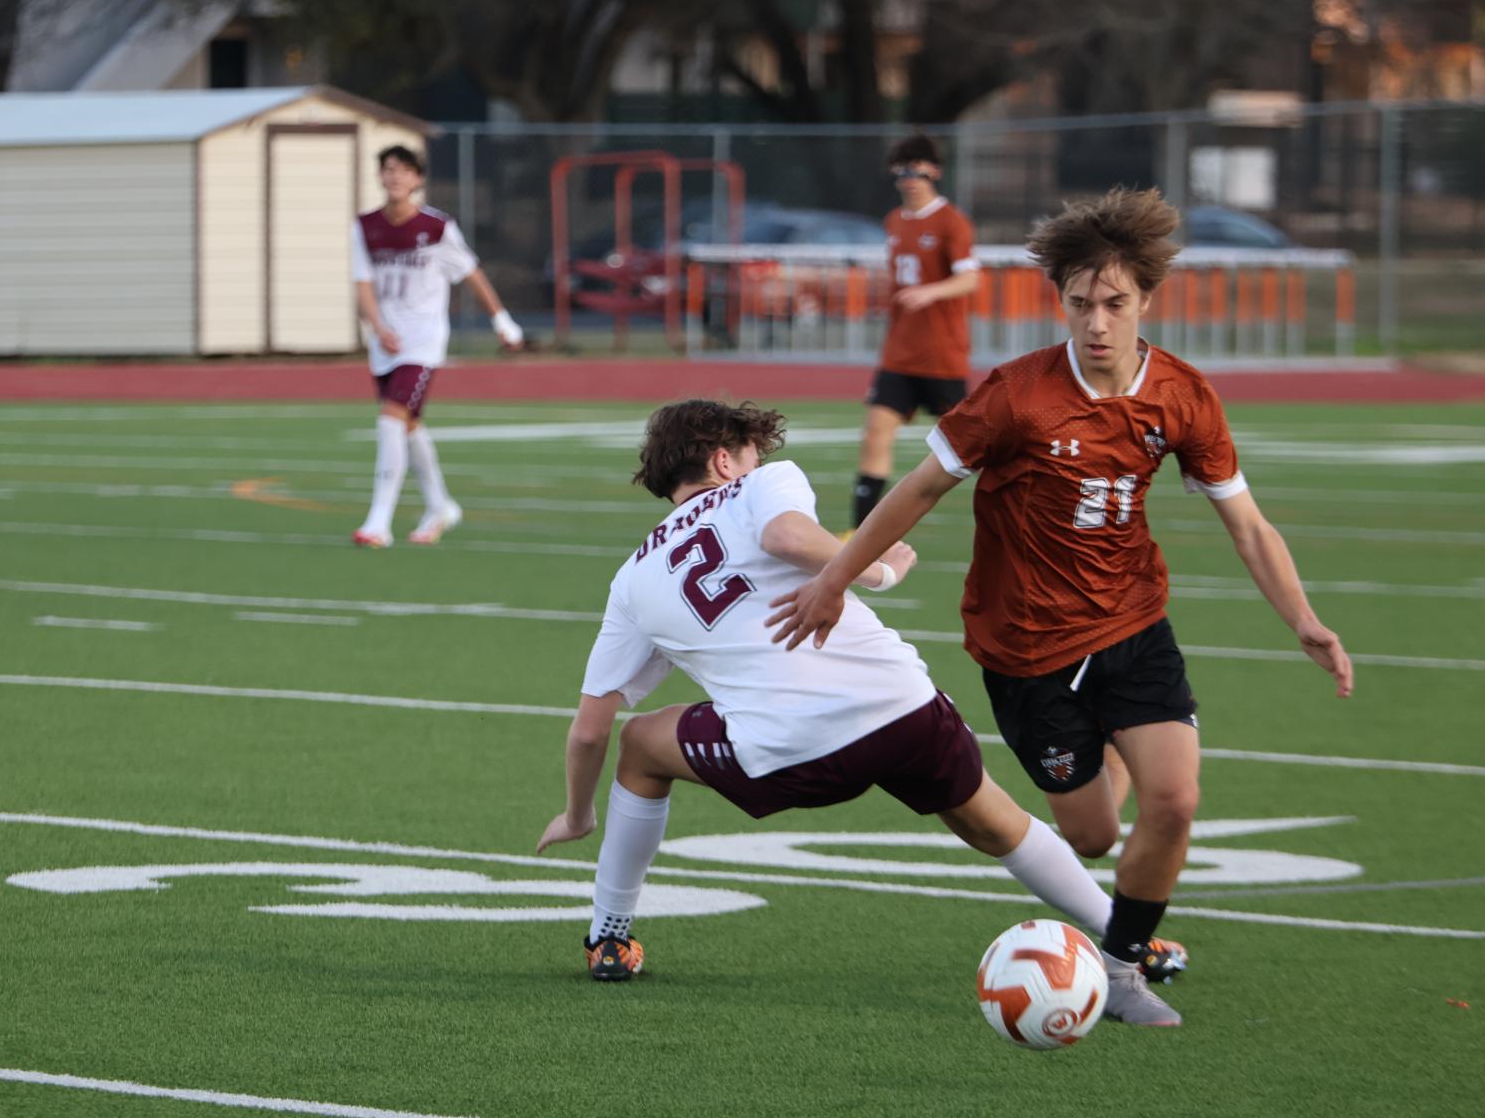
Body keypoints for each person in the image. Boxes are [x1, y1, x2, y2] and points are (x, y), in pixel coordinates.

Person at [767, 188, 1356, 1026]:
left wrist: (1303, 619)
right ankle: (1112, 760)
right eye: (1079, 303)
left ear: (1146, 300)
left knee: (1175, 802)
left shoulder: (1183, 397)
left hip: (1131, 622)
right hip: (1025, 647)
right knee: (1088, 837)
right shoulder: (1014, 395)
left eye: (1114, 304)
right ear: (1061, 302)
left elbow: (1248, 526)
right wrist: (833, 577)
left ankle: (1119, 970)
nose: (1096, 323)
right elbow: (918, 489)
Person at [536, 399, 1124, 985]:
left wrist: (578, 813)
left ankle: (609, 935)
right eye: (750, 451)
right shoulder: (763, 483)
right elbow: (787, 535)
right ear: (723, 461)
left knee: (639, 744)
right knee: (996, 825)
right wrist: (876, 571)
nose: (760, 460)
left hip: (794, 755)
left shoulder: (633, 578)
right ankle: (1128, 936)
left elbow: (591, 729)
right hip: (902, 710)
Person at [351, 145, 523, 548]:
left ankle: (379, 521)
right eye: (388, 169)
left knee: (391, 418)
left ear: (418, 179)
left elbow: (472, 273)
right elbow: (363, 284)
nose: (395, 177)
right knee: (408, 426)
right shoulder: (365, 226)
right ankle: (440, 505)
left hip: (423, 342)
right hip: (385, 343)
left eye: (404, 170)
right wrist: (377, 326)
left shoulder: (438, 227)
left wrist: (502, 319)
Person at [851, 135, 981, 528]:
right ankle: (859, 531)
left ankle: (1016, 508)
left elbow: (970, 279)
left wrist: (929, 293)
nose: (910, 178)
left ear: (935, 172)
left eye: (918, 169)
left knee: (971, 445)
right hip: (899, 354)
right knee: (876, 431)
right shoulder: (893, 221)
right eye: (902, 170)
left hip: (942, 355)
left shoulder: (951, 221)